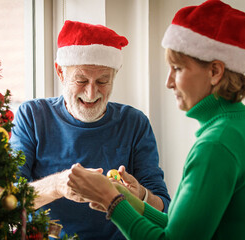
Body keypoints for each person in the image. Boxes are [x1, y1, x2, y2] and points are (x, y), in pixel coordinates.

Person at [67, 0, 245, 239]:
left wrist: (111, 201)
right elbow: (181, 228)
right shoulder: (238, 126)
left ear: (215, 72)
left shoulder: (216, 145)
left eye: (177, 68)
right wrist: (131, 202)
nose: (168, 82)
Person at [10, 20, 171, 239]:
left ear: (114, 76)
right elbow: (8, 198)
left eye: (103, 81)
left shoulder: (134, 122)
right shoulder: (32, 116)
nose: (91, 93)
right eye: (81, 79)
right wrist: (58, 185)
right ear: (60, 72)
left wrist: (140, 195)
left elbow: (162, 207)